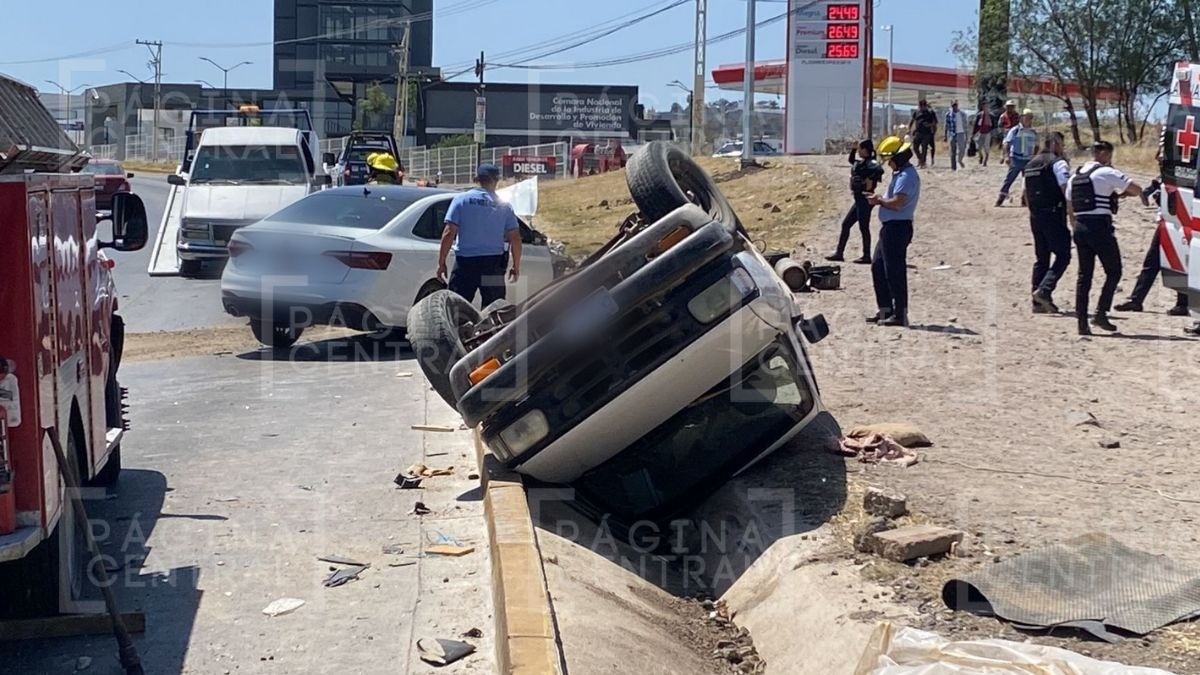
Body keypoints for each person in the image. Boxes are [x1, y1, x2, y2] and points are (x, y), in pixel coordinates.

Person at [1066, 141, 1142, 335]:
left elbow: (1070, 205)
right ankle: (1101, 312)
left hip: (1080, 227)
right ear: (1105, 154)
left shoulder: (1075, 176)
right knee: (1114, 271)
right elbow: (1135, 188)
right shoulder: (1106, 172)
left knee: (1084, 276)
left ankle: (1082, 323)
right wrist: (1122, 194)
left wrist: (1076, 225)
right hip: (1099, 226)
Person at [1116, 147, 1189, 316]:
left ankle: (1182, 303)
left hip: (1178, 224)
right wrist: (1128, 194)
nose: (1160, 161)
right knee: (1153, 262)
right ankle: (1136, 300)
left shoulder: (1182, 176)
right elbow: (1147, 191)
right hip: (1166, 224)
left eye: (1163, 158)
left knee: (1177, 263)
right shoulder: (1162, 178)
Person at [437, 164, 522, 306]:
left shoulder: (462, 200)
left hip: (466, 263)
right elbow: (516, 238)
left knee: (456, 308)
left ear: (476, 179)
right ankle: (490, 329)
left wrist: (441, 262)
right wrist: (516, 266)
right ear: (497, 180)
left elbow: (449, 232)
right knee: (494, 309)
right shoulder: (504, 206)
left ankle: (458, 328)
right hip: (493, 263)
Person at [865, 136, 921, 327]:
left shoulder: (906, 177)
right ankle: (885, 310)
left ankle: (899, 314)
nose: (888, 164)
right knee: (878, 267)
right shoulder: (901, 174)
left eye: (890, 160)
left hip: (897, 228)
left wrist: (879, 201)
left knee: (894, 271)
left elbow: (898, 203)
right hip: (890, 227)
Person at [1023, 131, 1072, 313]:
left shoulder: (1030, 164)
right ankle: (1044, 291)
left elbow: (1025, 193)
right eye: (1062, 145)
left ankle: (1037, 303)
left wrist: (1034, 213)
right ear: (1056, 144)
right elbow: (1066, 189)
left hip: (1035, 216)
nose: (1062, 149)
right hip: (1054, 214)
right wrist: (1071, 213)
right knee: (1063, 254)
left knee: (1041, 259)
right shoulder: (1057, 163)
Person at [827, 139, 884, 263]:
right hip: (858, 199)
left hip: (865, 199)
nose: (858, 151)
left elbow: (879, 170)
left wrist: (870, 179)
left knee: (863, 227)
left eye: (859, 149)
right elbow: (852, 161)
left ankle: (867, 256)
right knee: (846, 224)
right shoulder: (862, 163)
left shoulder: (871, 163)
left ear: (865, 150)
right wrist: (852, 149)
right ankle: (839, 253)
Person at [996, 109, 1039, 207]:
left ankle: (1024, 200)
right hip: (1016, 159)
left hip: (1028, 160)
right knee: (1009, 179)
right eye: (1027, 117)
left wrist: (1034, 157)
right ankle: (1001, 198)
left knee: (1028, 181)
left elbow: (1036, 145)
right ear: (1022, 118)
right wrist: (1006, 156)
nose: (1028, 120)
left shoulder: (1033, 132)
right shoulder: (1015, 130)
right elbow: (1007, 143)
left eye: (1030, 118)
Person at [909, 100, 938, 168]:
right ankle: (920, 159)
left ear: (925, 106)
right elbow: (912, 121)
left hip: (926, 133)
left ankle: (923, 162)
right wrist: (909, 129)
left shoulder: (930, 113)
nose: (921, 108)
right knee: (915, 147)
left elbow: (935, 122)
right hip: (918, 132)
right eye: (920, 106)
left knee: (924, 147)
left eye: (923, 106)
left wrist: (929, 125)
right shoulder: (916, 112)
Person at [945, 101, 969, 171]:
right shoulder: (948, 114)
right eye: (953, 106)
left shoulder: (962, 114)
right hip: (952, 134)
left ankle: (960, 160)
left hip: (961, 133)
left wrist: (967, 135)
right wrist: (945, 135)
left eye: (955, 105)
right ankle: (953, 167)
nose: (954, 107)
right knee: (953, 151)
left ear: (957, 106)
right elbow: (946, 125)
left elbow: (966, 126)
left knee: (962, 149)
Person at [971, 102, 994, 166]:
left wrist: (993, 133)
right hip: (980, 133)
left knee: (986, 148)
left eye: (987, 106)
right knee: (979, 147)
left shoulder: (991, 116)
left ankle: (985, 161)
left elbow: (994, 126)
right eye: (984, 106)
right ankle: (981, 156)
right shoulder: (979, 115)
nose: (986, 108)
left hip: (988, 133)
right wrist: (973, 133)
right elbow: (976, 125)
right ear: (983, 107)